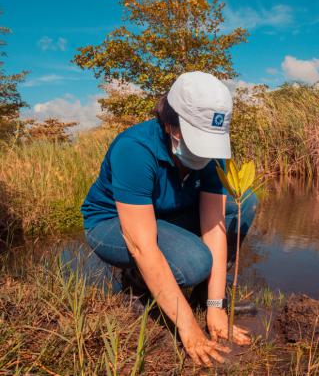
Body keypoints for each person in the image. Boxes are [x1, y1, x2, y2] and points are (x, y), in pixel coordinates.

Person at [76, 71, 257, 367]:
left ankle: (202, 292)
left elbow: (214, 226)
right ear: (171, 124)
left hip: (169, 216)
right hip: (114, 224)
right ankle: (136, 282)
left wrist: (216, 306)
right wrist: (189, 328)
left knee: (244, 202)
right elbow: (141, 245)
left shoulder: (213, 154)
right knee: (195, 262)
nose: (205, 154)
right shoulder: (134, 148)